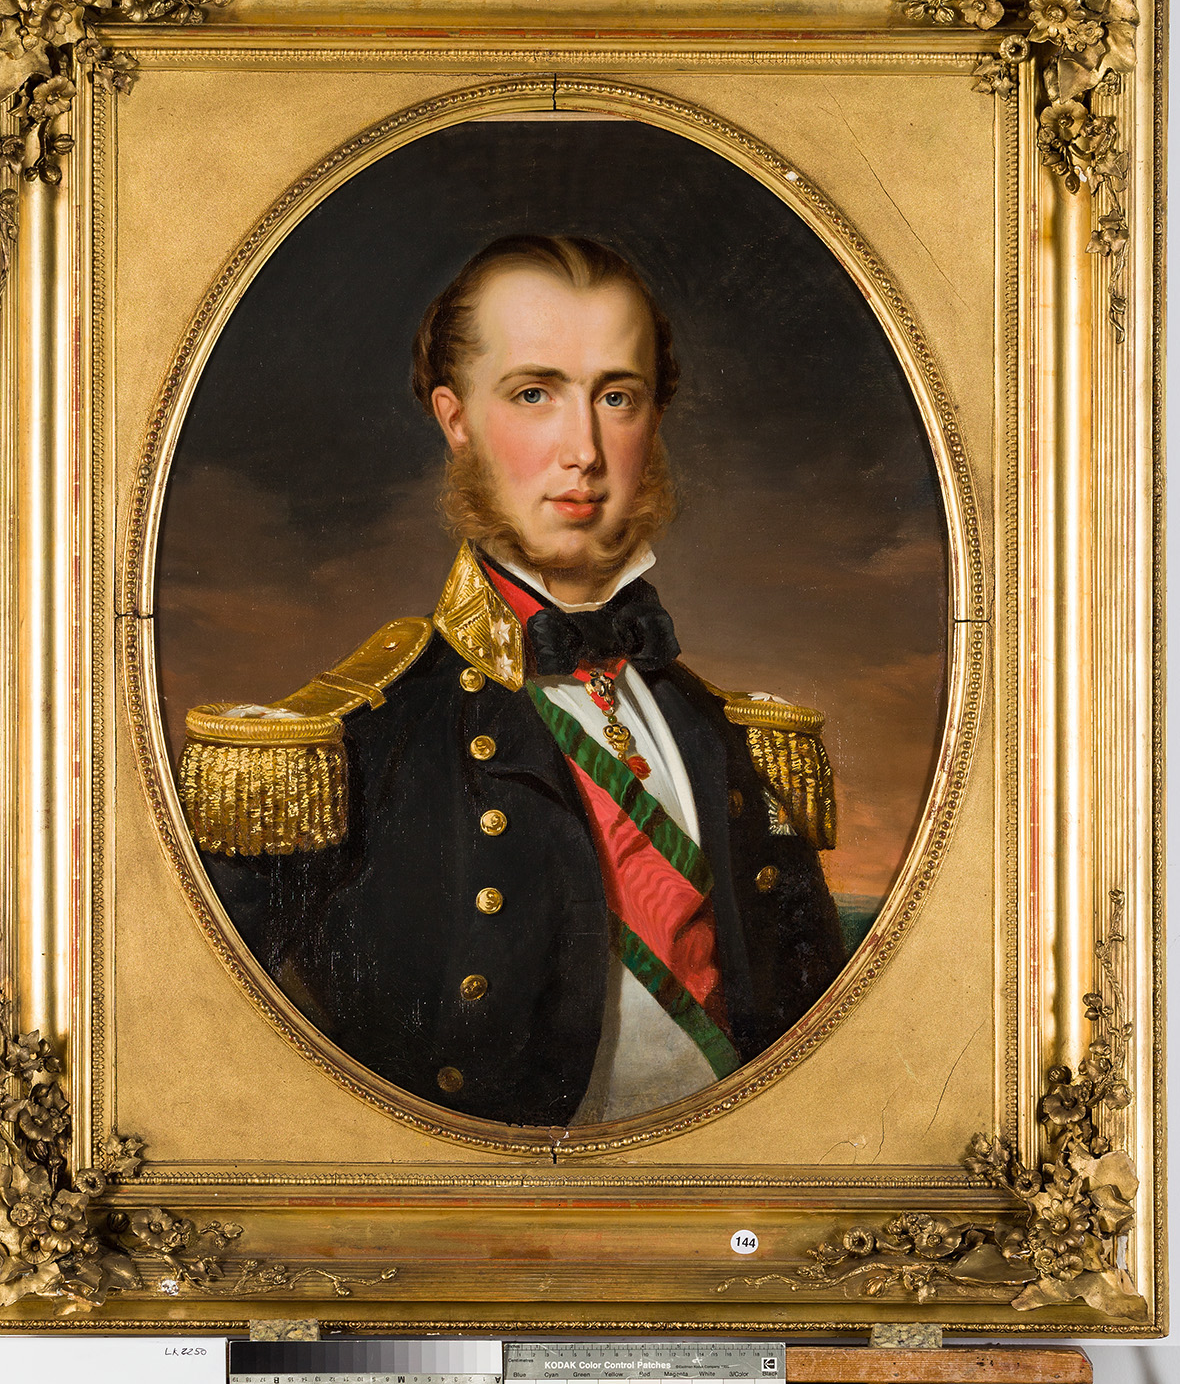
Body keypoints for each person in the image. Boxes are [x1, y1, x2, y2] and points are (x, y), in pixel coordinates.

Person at [177, 234, 846, 1129]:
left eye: (617, 396)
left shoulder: (735, 739)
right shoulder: (346, 744)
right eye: (535, 394)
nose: (584, 450)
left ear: (655, 418)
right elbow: (205, 1067)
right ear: (455, 419)